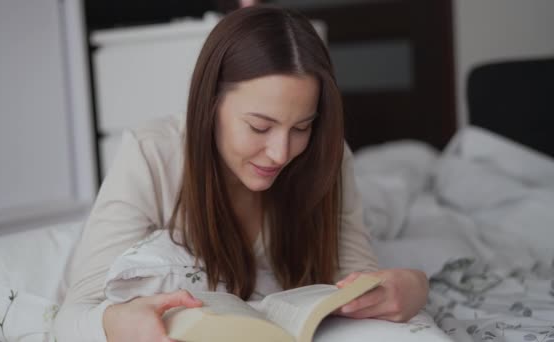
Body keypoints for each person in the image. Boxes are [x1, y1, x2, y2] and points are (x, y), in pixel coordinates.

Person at [54, 5, 428, 342]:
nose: (282, 153)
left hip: (372, 203)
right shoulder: (151, 154)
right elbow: (73, 314)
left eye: (302, 127)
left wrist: (414, 286)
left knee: (398, 193)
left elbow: (358, 280)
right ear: (210, 105)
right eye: (260, 127)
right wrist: (113, 322)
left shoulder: (325, 155)